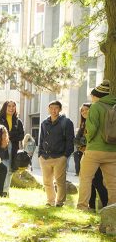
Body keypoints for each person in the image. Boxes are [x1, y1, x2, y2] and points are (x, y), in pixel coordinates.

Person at [77, 81, 116, 211]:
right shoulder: (114, 106)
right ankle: (112, 209)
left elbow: (91, 130)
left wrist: (88, 139)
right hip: (112, 151)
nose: (91, 98)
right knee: (112, 183)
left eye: (92, 95)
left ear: (97, 95)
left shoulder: (95, 107)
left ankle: (82, 206)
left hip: (94, 150)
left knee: (86, 179)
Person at [38, 100, 75, 207]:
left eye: (56, 108)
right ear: (49, 109)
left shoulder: (66, 122)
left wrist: (65, 156)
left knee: (60, 181)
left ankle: (60, 202)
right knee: (47, 181)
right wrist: (40, 154)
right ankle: (50, 201)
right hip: (45, 157)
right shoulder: (44, 123)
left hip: (60, 157)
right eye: (52, 108)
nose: (54, 110)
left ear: (60, 109)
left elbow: (70, 140)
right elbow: (41, 139)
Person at [0, 100, 24, 195]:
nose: (11, 108)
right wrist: (11, 135)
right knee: (3, 168)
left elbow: (21, 136)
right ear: (5, 107)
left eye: (13, 106)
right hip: (2, 147)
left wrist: (8, 135)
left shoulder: (18, 121)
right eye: (9, 106)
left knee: (10, 169)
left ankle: (5, 191)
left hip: (13, 148)